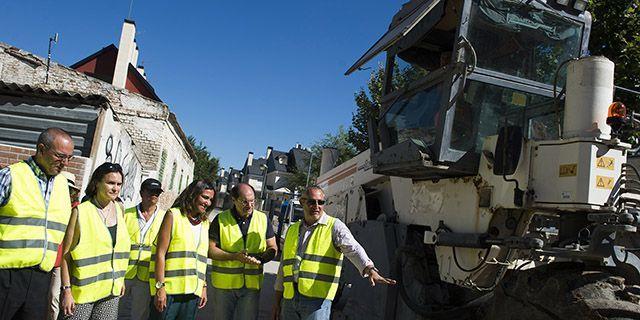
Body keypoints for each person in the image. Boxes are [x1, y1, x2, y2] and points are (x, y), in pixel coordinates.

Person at [272, 186, 396, 320]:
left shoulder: (334, 226)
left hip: (317, 302)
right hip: (289, 299)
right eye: (312, 202)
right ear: (302, 202)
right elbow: (283, 269)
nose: (317, 206)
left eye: (321, 202)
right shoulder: (292, 230)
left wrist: (369, 268)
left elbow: (353, 248)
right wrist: (277, 301)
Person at [0, 127, 74, 319]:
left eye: (69, 158)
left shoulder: (62, 186)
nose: (64, 163)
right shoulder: (11, 176)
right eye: (59, 156)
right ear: (41, 149)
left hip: (41, 279)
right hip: (6, 275)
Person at [60, 162, 131, 320]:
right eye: (110, 183)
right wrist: (66, 290)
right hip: (82, 293)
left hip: (110, 291)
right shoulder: (81, 212)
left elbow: (117, 251)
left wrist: (121, 280)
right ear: (97, 183)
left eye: (119, 184)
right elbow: (66, 256)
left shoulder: (120, 210)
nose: (115, 188)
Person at [209, 183, 278, 320]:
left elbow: (273, 247)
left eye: (252, 201)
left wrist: (262, 259)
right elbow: (210, 250)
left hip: (251, 287)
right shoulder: (221, 219)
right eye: (244, 201)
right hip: (224, 287)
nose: (250, 205)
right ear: (233, 200)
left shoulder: (263, 219)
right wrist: (234, 256)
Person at [149, 180, 214, 320]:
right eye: (205, 197)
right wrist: (160, 287)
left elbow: (201, 259)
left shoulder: (205, 223)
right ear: (193, 195)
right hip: (170, 290)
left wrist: (204, 286)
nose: (208, 203)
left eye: (211, 200)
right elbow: (160, 253)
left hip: (193, 292)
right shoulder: (173, 215)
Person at [118, 178, 166, 320]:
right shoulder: (126, 214)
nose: (154, 195)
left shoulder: (165, 218)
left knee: (139, 315)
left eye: (157, 193)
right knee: (116, 312)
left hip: (147, 276)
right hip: (124, 273)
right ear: (141, 193)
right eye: (151, 192)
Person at [48, 171, 81, 320]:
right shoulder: (49, 203)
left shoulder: (77, 209)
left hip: (61, 259)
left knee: (54, 296)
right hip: (44, 255)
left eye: (69, 189)